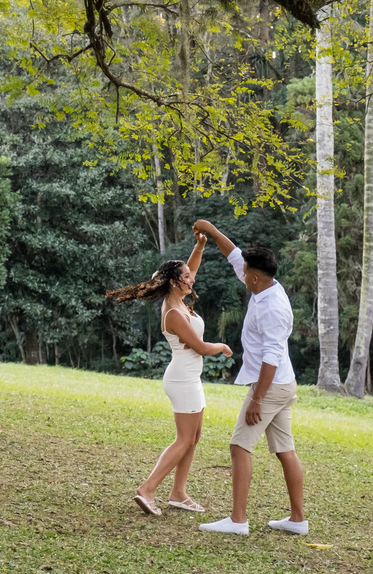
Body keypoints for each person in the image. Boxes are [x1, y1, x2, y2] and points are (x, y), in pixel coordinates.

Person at [192, 219, 307, 537]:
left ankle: (238, 520)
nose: (241, 274)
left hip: (270, 386)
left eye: (245, 273)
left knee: (239, 447)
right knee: (285, 450)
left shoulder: (273, 308)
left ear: (254, 278)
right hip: (282, 383)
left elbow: (271, 357)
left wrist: (257, 398)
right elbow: (234, 255)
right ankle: (298, 520)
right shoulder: (264, 285)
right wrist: (212, 232)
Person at [106, 230, 233, 517]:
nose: (192, 279)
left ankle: (178, 494)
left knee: (194, 437)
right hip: (182, 379)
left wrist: (200, 246)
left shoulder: (178, 299)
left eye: (190, 275)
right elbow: (201, 347)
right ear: (175, 282)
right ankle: (147, 489)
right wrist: (222, 346)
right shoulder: (173, 312)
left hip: (189, 378)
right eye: (186, 277)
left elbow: (192, 268)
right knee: (184, 439)